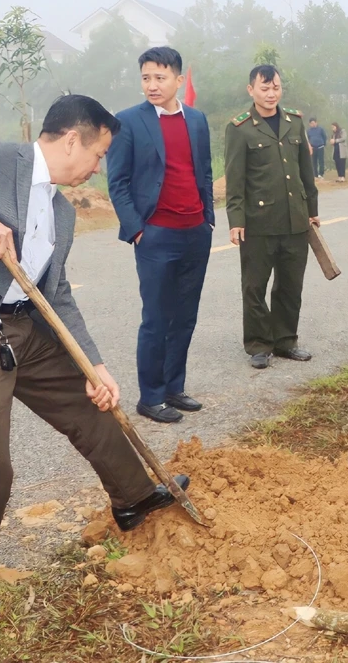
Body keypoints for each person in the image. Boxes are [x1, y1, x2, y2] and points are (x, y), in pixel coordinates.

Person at [0, 95, 189, 611]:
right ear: (73, 139)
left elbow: (59, 293)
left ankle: (134, 498)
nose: (98, 168)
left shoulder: (61, 212)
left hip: (29, 328)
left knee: (92, 407)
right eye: (98, 155)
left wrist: (94, 365)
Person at [107, 47, 214, 424]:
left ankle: (173, 387)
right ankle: (150, 397)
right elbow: (117, 182)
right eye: (146, 78)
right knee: (156, 318)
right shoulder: (129, 121)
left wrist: (209, 220)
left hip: (195, 234)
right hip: (156, 236)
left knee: (185, 317)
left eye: (160, 77)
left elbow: (203, 172)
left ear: (178, 80)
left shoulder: (197, 120)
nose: (152, 85)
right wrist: (137, 229)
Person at [224, 64, 320, 370]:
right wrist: (236, 220)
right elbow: (235, 179)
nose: (271, 94)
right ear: (251, 90)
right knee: (255, 286)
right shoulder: (240, 128)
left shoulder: (294, 122)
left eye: (275, 87)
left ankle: (285, 341)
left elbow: (306, 172)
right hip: (258, 222)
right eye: (264, 88)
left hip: (295, 219)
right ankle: (258, 344)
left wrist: (313, 211)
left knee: (290, 285)